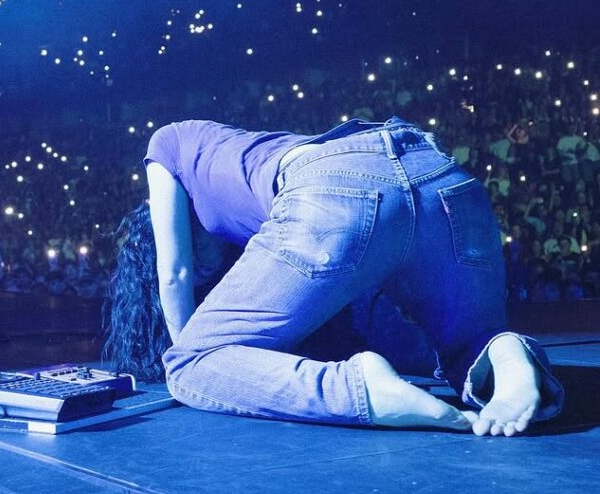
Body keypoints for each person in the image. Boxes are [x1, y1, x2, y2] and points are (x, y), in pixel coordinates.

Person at [104, 117, 564, 436]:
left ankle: (359, 386)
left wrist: (187, 357)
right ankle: (507, 353)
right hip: (442, 175)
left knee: (189, 366)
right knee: (468, 343)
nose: (206, 264)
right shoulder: (249, 158)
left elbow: (175, 271)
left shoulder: (167, 142)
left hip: (336, 184)